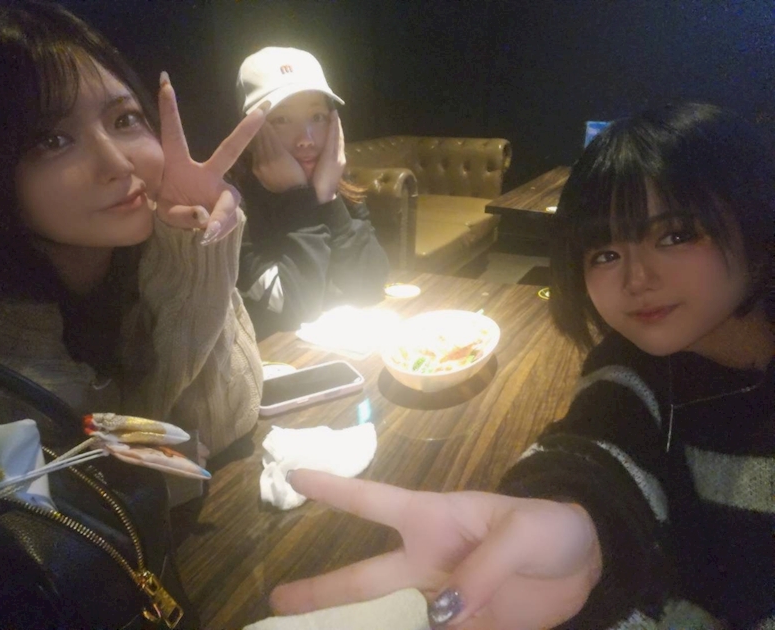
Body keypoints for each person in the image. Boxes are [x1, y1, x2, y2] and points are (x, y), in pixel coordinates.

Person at [267, 103, 775, 629]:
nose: (636, 278)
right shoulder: (633, 364)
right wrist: (577, 525)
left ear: (754, 217)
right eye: (605, 254)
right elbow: (596, 450)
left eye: (675, 235)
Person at [0, 1, 265, 467]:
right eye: (52, 140)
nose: (117, 163)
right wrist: (170, 460)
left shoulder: (155, 241)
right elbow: (92, 474)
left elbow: (225, 421)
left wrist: (192, 248)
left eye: (124, 119)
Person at [232, 47, 390, 339]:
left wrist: (328, 197)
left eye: (317, 117)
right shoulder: (232, 206)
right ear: (249, 131)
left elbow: (371, 282)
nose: (306, 139)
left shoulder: (331, 180)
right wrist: (297, 197)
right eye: (281, 119)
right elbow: (297, 308)